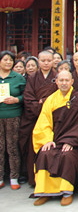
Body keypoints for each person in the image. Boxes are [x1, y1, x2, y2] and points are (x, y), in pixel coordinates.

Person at [32, 71, 78, 206]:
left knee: (67, 156)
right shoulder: (50, 100)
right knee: (44, 154)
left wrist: (71, 141)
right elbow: (43, 123)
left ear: (72, 82)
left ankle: (66, 192)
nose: (64, 83)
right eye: (61, 80)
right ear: (56, 82)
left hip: (72, 141)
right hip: (54, 140)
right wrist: (46, 140)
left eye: (66, 80)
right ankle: (44, 192)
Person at [19, 51, 57, 186]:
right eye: (43, 60)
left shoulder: (57, 77)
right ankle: (34, 179)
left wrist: (44, 102)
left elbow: (59, 98)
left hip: (53, 120)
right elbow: (28, 98)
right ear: (38, 62)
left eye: (48, 60)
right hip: (34, 119)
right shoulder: (33, 77)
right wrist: (42, 107)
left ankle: (51, 180)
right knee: (31, 149)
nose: (46, 63)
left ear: (53, 61)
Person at [0, 51, 26, 190]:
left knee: (12, 147)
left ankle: (14, 176)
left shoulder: (18, 78)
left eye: (11, 60)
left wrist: (16, 99)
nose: (8, 62)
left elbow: (25, 95)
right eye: (5, 60)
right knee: (0, 147)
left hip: (13, 115)